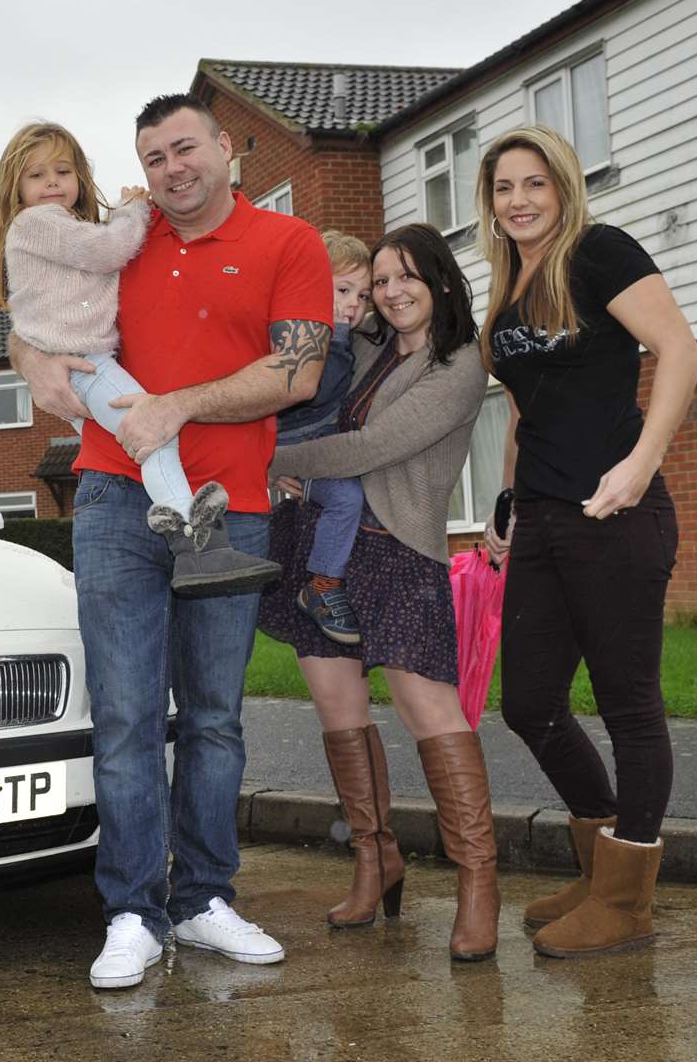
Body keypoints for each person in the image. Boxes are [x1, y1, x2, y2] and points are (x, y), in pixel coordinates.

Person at [9, 93, 333, 989]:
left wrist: (177, 405)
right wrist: (32, 364)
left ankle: (204, 900)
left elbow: (298, 372)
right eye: (154, 158)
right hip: (114, 501)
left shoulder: (288, 244)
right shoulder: (123, 237)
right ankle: (130, 912)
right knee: (124, 717)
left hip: (229, 506)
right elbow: (33, 313)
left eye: (184, 148)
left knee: (216, 716)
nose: (171, 169)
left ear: (226, 147)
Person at [475, 126, 697, 959]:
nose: (520, 200)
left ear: (564, 188)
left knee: (629, 705)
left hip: (614, 514)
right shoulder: (507, 280)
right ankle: (599, 866)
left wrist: (641, 466)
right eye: (504, 188)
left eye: (536, 184)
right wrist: (506, 499)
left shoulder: (600, 251)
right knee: (529, 703)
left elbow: (680, 349)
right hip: (540, 517)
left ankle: (626, 897)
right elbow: (527, 407)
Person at [263, 222, 499, 962]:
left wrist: (268, 457)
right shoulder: (362, 347)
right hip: (320, 549)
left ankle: (478, 883)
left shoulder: (458, 364)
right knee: (338, 712)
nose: (392, 293)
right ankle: (375, 858)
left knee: (430, 710)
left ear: (440, 284)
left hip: (397, 549)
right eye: (383, 280)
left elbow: (372, 449)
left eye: (408, 279)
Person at [0, 121, 281, 596]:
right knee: (153, 434)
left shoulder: (59, 229)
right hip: (88, 364)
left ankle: (192, 540)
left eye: (62, 171)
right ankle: (196, 542)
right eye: (36, 175)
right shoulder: (37, 223)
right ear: (16, 189)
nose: (51, 183)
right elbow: (109, 252)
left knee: (136, 440)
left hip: (84, 361)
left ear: (80, 177)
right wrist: (132, 211)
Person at [274, 230, 376, 643]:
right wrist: (333, 335)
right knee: (346, 498)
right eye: (344, 290)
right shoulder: (304, 335)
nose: (355, 304)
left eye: (364, 295)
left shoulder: (347, 335)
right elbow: (318, 387)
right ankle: (322, 586)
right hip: (301, 447)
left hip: (319, 444)